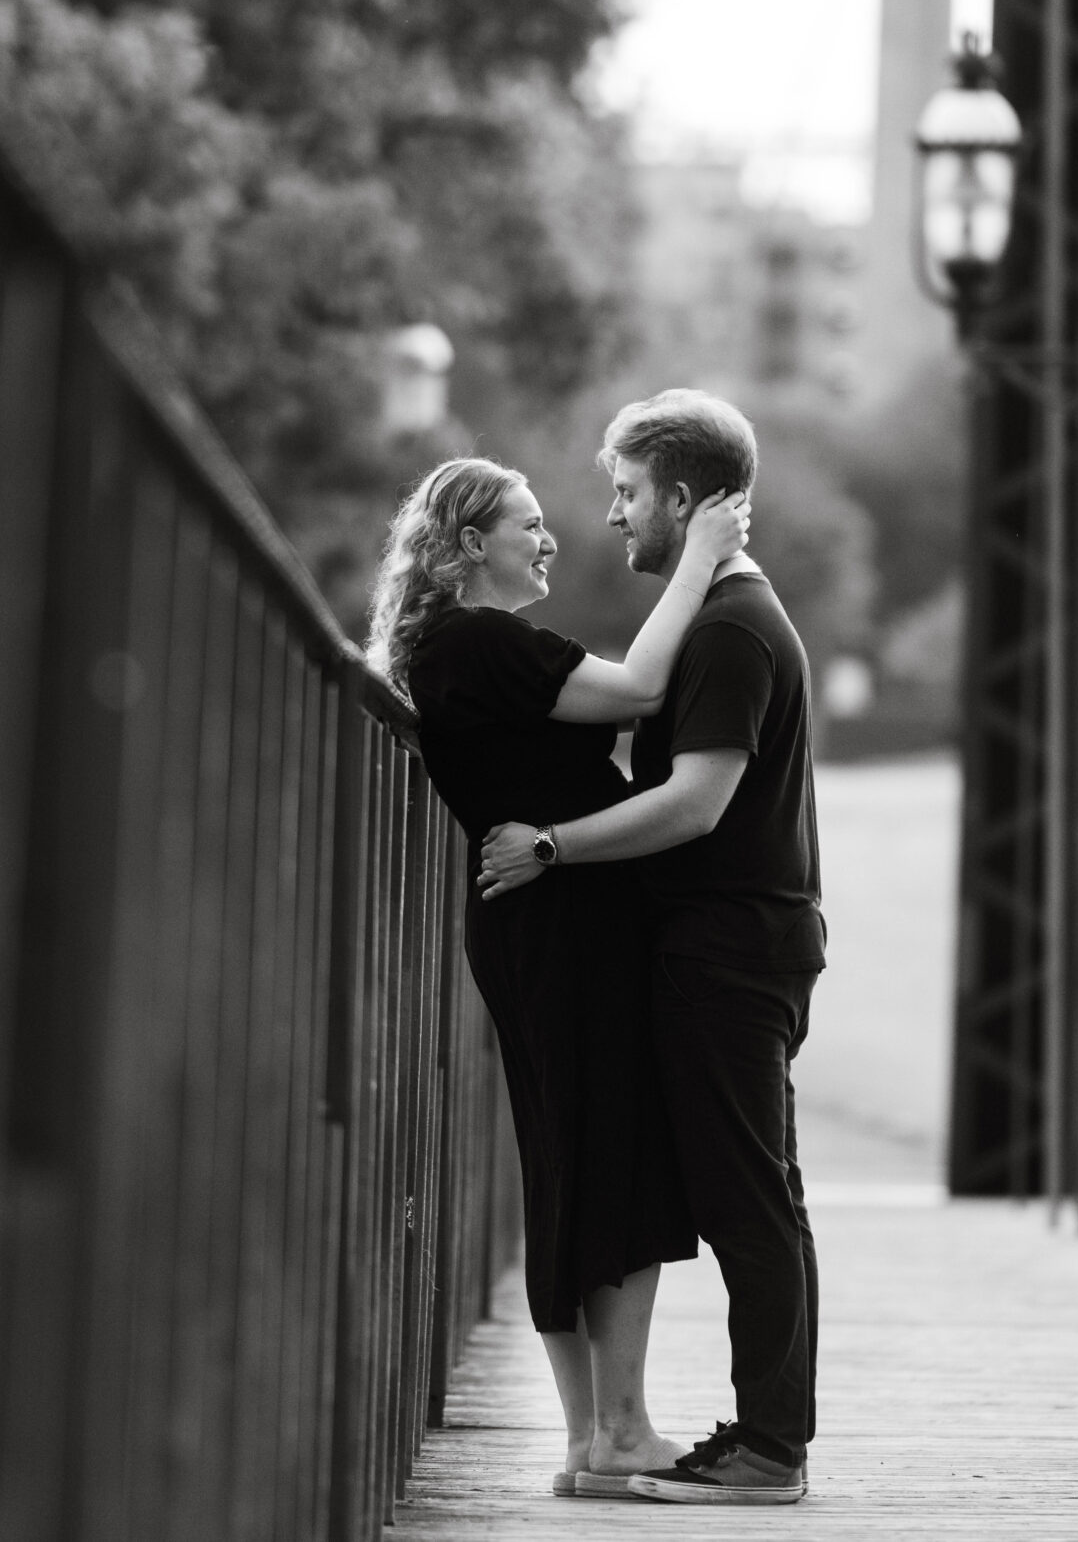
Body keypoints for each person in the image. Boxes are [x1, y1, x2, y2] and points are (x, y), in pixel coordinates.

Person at [364, 455, 751, 1499]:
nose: (548, 540)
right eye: (525, 525)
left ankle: (592, 1439)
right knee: (614, 1158)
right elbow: (642, 689)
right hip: (573, 928)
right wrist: (702, 561)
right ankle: (617, 1434)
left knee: (568, 1163)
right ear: (464, 546)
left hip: (536, 927)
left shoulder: (454, 648)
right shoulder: (482, 638)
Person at [482, 389, 825, 1507]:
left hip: (729, 952)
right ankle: (766, 1433)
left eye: (629, 493)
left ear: (682, 498)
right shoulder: (721, 610)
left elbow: (694, 805)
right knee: (751, 1190)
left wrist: (551, 847)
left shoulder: (728, 630)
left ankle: (771, 1449)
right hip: (736, 947)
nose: (616, 516)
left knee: (748, 1198)